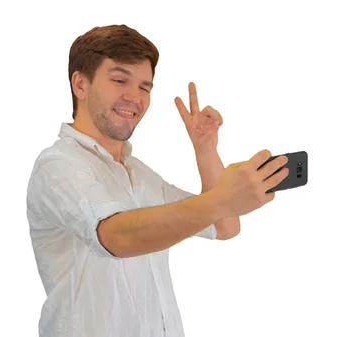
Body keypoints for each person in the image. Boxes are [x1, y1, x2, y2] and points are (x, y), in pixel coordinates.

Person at [26, 24, 289, 337]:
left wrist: (205, 150)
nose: (134, 97)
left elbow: (225, 225)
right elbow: (114, 236)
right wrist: (221, 199)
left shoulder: (139, 174)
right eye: (119, 80)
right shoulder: (59, 166)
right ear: (80, 84)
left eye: (145, 87)